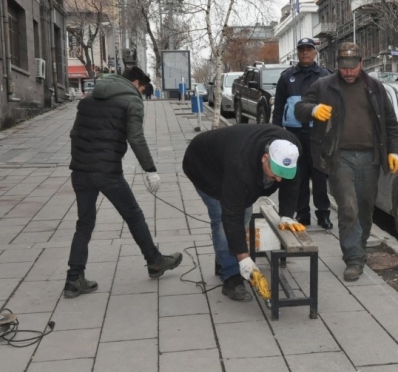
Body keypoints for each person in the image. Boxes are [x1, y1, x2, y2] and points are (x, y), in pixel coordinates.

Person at [65, 66, 182, 298]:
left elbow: (73, 133)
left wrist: (82, 161)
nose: (141, 93)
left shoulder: (89, 99)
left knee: (84, 223)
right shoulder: (131, 101)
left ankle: (73, 279)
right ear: (136, 82)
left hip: (80, 170)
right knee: (133, 215)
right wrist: (150, 170)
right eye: (142, 88)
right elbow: (136, 137)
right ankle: (155, 261)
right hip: (107, 172)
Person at [295, 42, 398, 282]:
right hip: (339, 157)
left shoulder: (374, 87)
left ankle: (359, 248)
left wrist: (394, 151)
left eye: (353, 67)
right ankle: (353, 258)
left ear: (361, 63)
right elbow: (299, 108)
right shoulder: (324, 86)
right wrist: (313, 109)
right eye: (344, 68)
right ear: (337, 66)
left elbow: (390, 123)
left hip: (370, 158)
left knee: (364, 208)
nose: (349, 72)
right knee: (348, 207)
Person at [182, 124, 305, 301]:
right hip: (204, 166)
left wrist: (286, 215)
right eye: (275, 174)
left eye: (283, 174)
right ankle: (231, 278)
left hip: (229, 154)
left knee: (245, 215)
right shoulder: (240, 166)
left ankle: (225, 259)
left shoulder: (291, 149)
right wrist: (244, 259)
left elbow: (292, 183)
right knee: (223, 221)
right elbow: (231, 215)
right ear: (265, 158)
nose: (279, 180)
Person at [273, 37, 332, 229]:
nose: (305, 53)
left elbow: (334, 105)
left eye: (309, 49)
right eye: (301, 50)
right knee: (297, 174)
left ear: (315, 52)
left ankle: (323, 214)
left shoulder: (325, 75)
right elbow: (279, 106)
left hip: (319, 133)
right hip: (293, 133)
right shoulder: (287, 77)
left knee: (320, 175)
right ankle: (303, 213)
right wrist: (275, 132)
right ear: (297, 53)